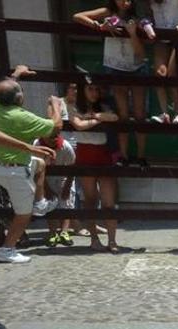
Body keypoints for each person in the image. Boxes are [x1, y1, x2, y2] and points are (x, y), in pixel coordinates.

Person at [0, 79, 63, 263]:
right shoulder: (23, 117)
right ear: (19, 98)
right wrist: (55, 104)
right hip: (14, 172)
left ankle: (40, 202)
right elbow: (56, 126)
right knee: (23, 213)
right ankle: (7, 249)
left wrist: (17, 75)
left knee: (39, 163)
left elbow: (3, 91)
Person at [74, 0, 151, 168]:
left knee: (140, 115)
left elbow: (141, 54)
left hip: (136, 68)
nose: (125, 2)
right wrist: (99, 26)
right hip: (115, 68)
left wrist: (133, 33)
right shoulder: (108, 12)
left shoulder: (138, 19)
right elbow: (78, 16)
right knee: (122, 114)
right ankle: (123, 156)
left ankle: (141, 157)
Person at [69, 82, 123, 253]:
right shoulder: (74, 106)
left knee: (109, 201)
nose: (94, 92)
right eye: (90, 89)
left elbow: (114, 117)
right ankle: (94, 239)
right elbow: (78, 125)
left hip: (103, 154)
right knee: (90, 200)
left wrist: (93, 116)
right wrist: (98, 119)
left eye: (96, 89)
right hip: (85, 155)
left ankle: (112, 240)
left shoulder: (105, 105)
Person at [142, 0, 178, 125]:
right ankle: (164, 113)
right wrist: (146, 23)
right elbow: (148, 15)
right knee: (159, 73)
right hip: (162, 37)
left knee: (173, 73)